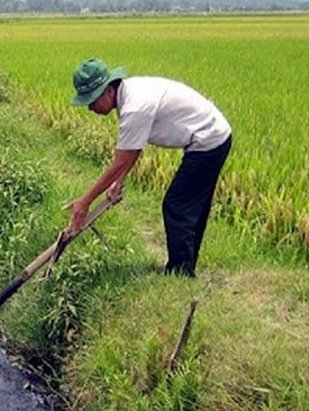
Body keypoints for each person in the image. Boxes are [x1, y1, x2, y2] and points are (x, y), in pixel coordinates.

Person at [63, 58, 232, 278]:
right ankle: (184, 268)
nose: (90, 108)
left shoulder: (135, 108)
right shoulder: (129, 96)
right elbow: (132, 150)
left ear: (109, 91)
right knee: (190, 206)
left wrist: (85, 201)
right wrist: (118, 183)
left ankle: (180, 272)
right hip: (212, 136)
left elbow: (121, 160)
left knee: (177, 204)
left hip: (209, 140)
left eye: (92, 101)